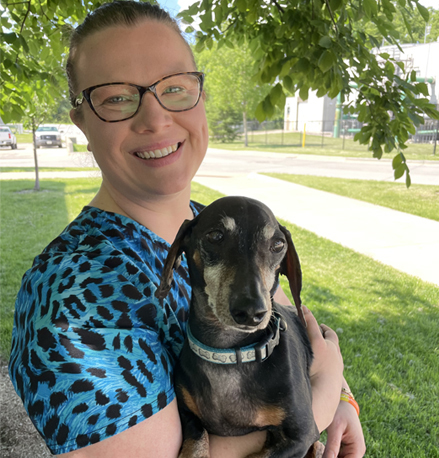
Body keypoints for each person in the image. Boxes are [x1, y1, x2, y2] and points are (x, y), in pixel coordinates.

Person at [8, 2, 366, 457]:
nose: (155, 119)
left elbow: (288, 328)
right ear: (80, 119)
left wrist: (343, 400)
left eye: (175, 88)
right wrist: (324, 389)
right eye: (117, 97)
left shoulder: (215, 224)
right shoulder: (70, 298)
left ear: (199, 97)